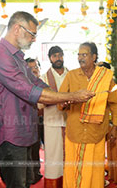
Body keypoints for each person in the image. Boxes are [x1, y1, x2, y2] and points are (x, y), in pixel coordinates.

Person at [0, 11, 95, 188]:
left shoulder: (16, 56)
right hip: (10, 136)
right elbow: (29, 91)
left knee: (27, 182)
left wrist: (59, 98)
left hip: (24, 132)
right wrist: (72, 96)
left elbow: (36, 82)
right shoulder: (0, 57)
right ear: (17, 29)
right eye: (32, 34)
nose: (34, 39)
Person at [58, 42, 117, 188]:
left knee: (94, 169)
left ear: (94, 57)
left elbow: (115, 103)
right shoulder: (71, 75)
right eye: (79, 55)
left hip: (96, 133)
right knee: (72, 169)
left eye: (84, 54)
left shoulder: (106, 78)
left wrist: (115, 126)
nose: (80, 58)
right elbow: (60, 100)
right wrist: (64, 103)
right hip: (75, 132)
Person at [39, 46, 68, 187]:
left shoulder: (72, 75)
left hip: (70, 122)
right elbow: (39, 102)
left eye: (60, 55)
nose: (58, 58)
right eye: (55, 56)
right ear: (50, 58)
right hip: (52, 123)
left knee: (71, 156)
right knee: (53, 158)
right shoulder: (43, 78)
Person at [25, 57, 44, 184]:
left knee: (37, 147)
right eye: (30, 68)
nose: (34, 70)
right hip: (25, 122)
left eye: (36, 67)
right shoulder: (23, 85)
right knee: (29, 148)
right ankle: (29, 174)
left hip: (43, 120)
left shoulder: (43, 83)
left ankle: (36, 172)